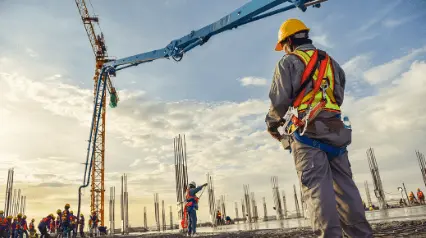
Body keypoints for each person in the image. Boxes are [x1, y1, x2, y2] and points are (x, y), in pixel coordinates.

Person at [265, 18, 372, 237]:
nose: (283, 50)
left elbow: (279, 100)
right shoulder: (332, 63)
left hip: (307, 131)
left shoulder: (289, 62)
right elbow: (338, 96)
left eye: (283, 46)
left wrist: (273, 125)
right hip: (335, 128)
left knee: (317, 190)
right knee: (346, 188)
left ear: (289, 41)